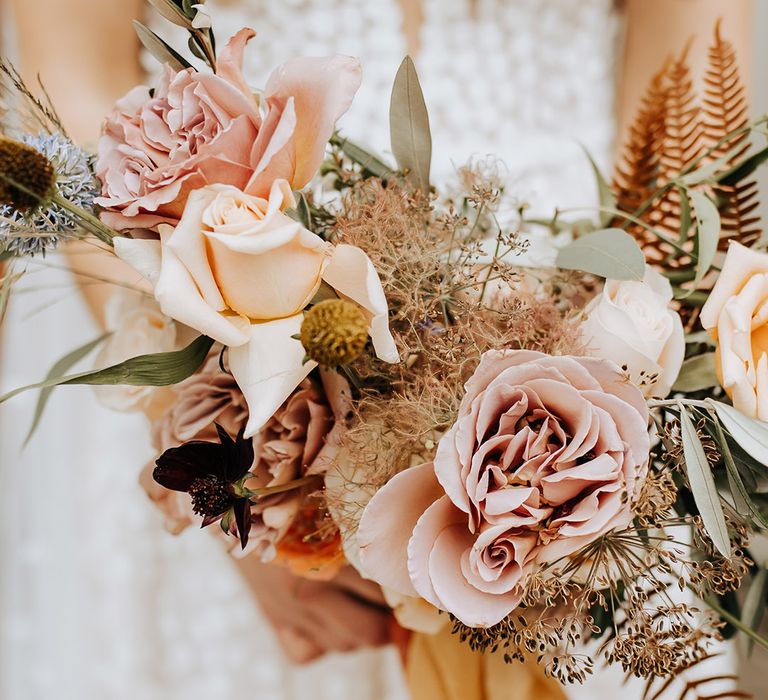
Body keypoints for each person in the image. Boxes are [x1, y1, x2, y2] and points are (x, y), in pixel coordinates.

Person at [0, 1, 755, 699]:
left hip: (581, 409)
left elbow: (690, 96)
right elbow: (75, 80)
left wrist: (613, 420)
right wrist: (237, 484)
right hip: (233, 368)